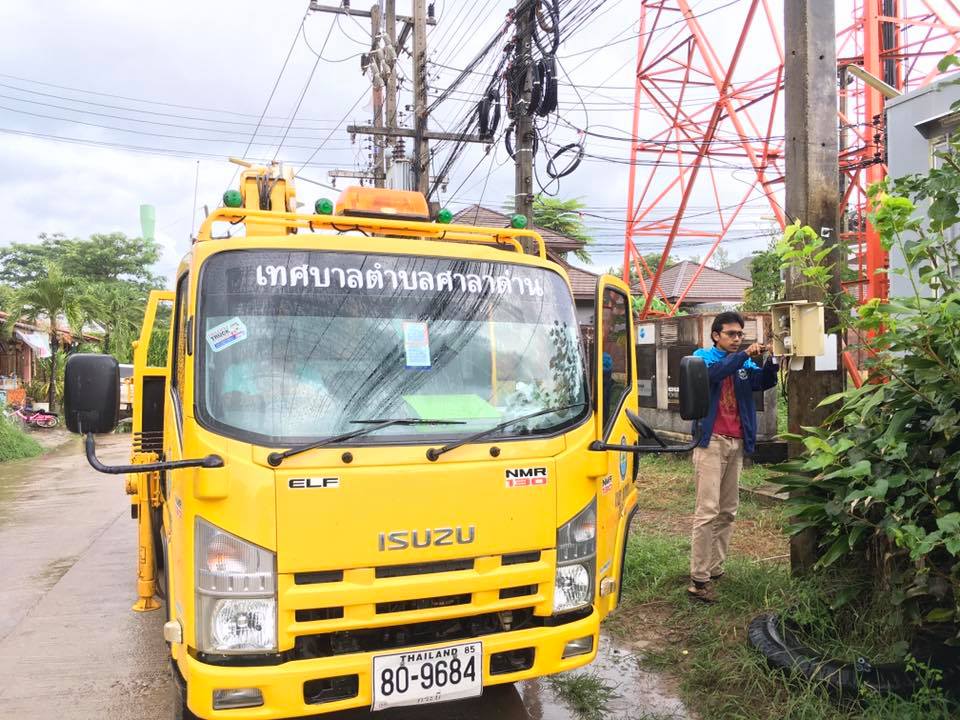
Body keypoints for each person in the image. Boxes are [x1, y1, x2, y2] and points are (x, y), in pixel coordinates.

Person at [688, 311, 778, 602]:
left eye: (740, 334)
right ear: (716, 335)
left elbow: (761, 382)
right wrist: (742, 357)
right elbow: (714, 374)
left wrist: (773, 360)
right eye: (731, 334)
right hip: (710, 442)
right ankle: (698, 578)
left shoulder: (743, 363)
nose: (737, 339)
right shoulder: (702, 357)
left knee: (727, 511)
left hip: (735, 442)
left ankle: (716, 569)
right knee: (707, 511)